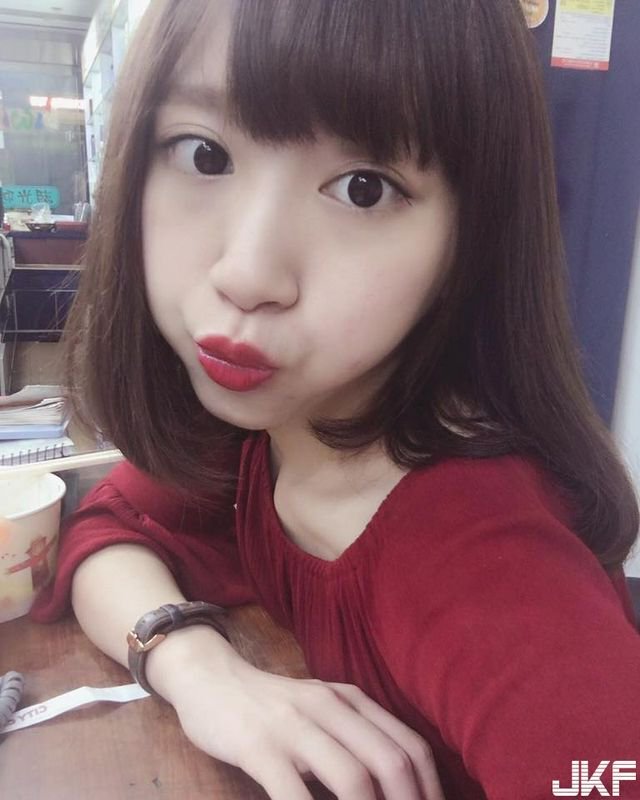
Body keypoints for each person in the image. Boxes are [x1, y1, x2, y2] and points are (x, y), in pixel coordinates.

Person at [31, 1, 640, 798]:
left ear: (471, 242)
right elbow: (109, 526)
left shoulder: (479, 561)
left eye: (363, 188)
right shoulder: (275, 426)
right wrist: (201, 671)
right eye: (205, 154)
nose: (248, 273)